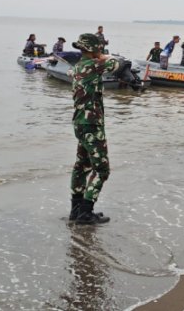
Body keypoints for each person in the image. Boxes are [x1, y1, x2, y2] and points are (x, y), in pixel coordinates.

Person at [67, 33, 121, 225]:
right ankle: (86, 212)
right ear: (93, 49)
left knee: (81, 166)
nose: (101, 50)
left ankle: (75, 209)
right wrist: (107, 57)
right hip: (92, 124)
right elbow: (116, 65)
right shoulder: (93, 65)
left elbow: (73, 74)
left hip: (80, 123)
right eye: (99, 48)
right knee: (102, 170)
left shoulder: (77, 67)